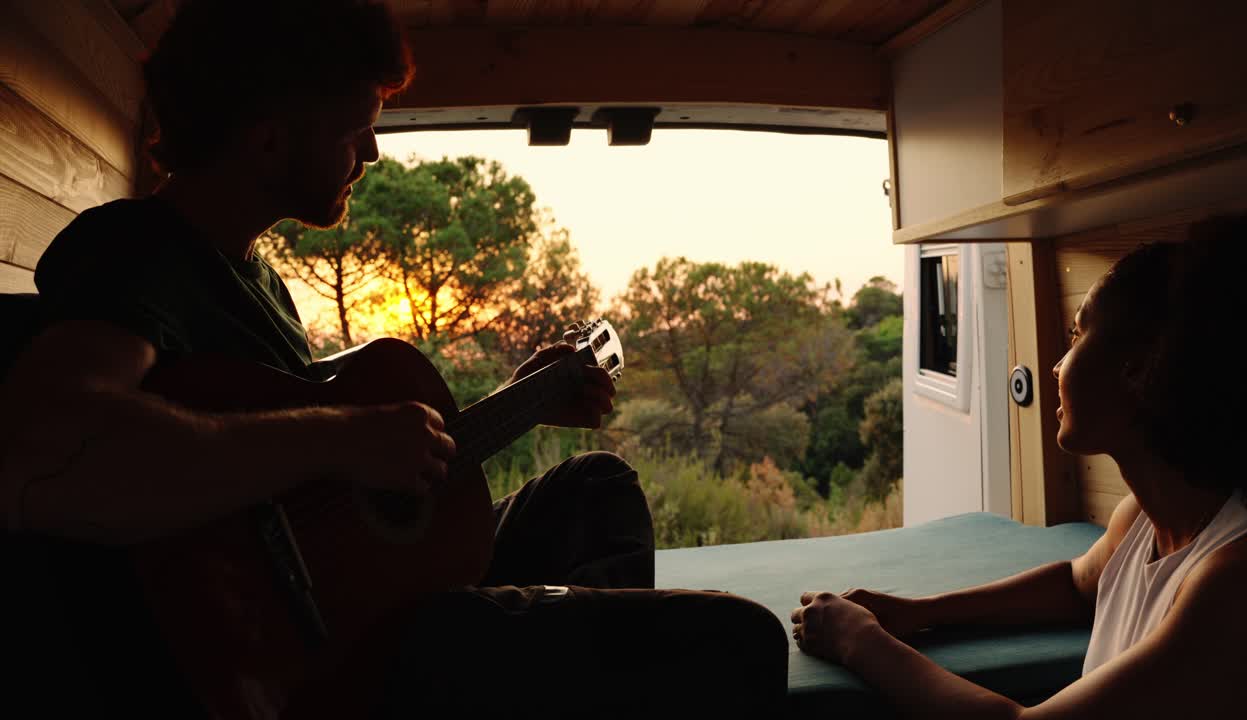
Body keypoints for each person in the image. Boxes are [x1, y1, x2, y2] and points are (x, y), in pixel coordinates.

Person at [0, 1, 784, 717]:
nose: (372, 152)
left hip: (350, 601)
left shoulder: (261, 282)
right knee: (734, 638)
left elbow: (321, 496)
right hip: (274, 658)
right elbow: (42, 449)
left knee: (596, 489)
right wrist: (340, 437)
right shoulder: (136, 248)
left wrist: (520, 401)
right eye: (355, 129)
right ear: (268, 132)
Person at [791, 214, 1247, 719]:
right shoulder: (1141, 520)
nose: (1056, 365)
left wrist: (860, 641)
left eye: (1076, 334)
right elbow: (1075, 585)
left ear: (1139, 367)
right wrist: (918, 613)